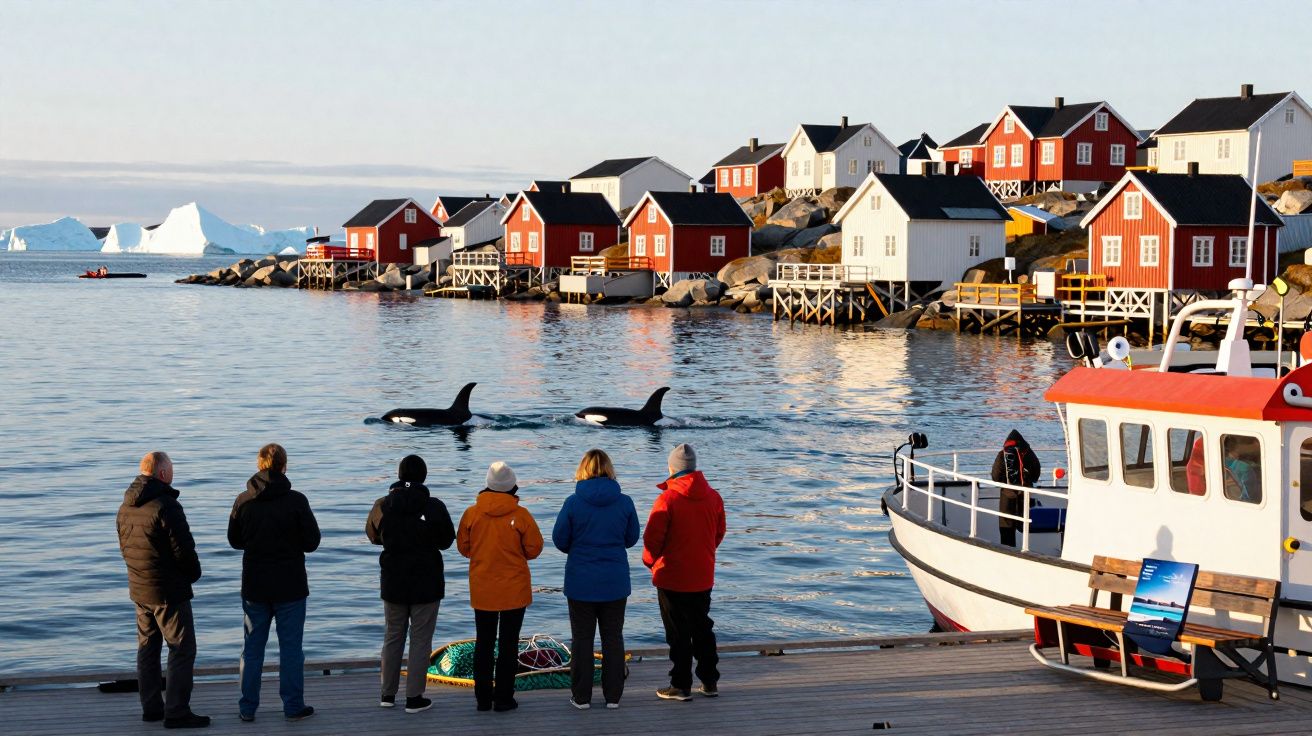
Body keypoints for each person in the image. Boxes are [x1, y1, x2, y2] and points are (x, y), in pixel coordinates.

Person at [227, 444, 320, 723]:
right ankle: (292, 706)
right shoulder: (296, 501)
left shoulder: (243, 500)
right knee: (291, 649)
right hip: (290, 585)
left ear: (259, 465)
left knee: (252, 649)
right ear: (284, 466)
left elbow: (234, 541)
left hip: (255, 585)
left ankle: (247, 707)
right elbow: (312, 542)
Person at [116, 451, 209, 729]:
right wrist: (193, 575)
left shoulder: (125, 506)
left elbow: (124, 548)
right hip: (169, 591)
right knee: (181, 649)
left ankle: (151, 708)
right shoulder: (166, 505)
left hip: (140, 589)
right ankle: (177, 711)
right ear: (163, 474)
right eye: (171, 470)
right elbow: (184, 550)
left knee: (147, 648)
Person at [365, 455, 455, 714]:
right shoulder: (433, 506)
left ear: (400, 475)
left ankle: (387, 693)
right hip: (427, 581)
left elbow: (373, 536)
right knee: (420, 640)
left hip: (393, 579)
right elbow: (447, 540)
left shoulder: (382, 505)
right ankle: (414, 698)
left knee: (393, 636)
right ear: (424, 476)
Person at [552, 449, 640, 710]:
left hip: (581, 582)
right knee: (613, 638)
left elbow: (559, 539)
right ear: (609, 469)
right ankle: (613, 696)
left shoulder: (573, 502)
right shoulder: (625, 502)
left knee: (582, 640)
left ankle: (581, 697)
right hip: (614, 581)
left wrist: (577, 549)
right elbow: (631, 538)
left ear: (583, 470)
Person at [456, 461, 544, 712]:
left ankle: (483, 698)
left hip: (483, 588)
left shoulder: (472, 513)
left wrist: (482, 554)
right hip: (514, 589)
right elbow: (534, 548)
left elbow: (463, 547)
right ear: (511, 486)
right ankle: (504, 698)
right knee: (508, 644)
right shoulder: (522, 515)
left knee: (483, 643)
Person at [643, 443, 726, 702]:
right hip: (702, 574)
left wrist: (650, 562)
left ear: (672, 468)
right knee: (702, 627)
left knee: (678, 633)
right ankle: (710, 680)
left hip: (672, 577)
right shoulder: (713, 497)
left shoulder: (667, 498)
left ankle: (680, 684)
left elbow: (652, 540)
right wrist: (704, 554)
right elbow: (718, 533)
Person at [991, 429, 1040, 548]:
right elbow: (1036, 473)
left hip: (1007, 495)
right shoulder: (1028, 453)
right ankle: (1027, 550)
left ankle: (1008, 552)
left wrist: (1005, 483)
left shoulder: (1002, 454)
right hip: (1025, 495)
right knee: (1026, 526)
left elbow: (995, 476)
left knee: (1006, 528)